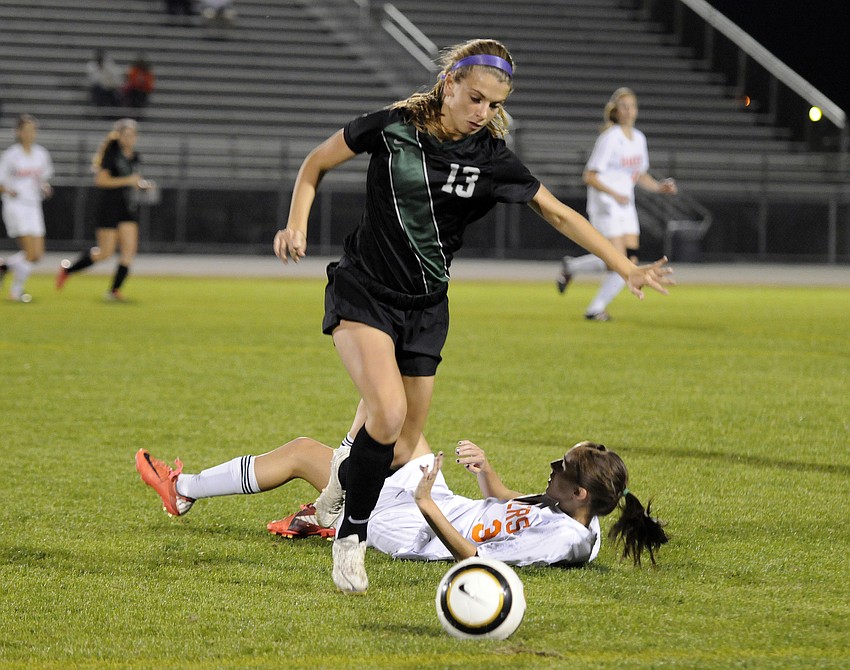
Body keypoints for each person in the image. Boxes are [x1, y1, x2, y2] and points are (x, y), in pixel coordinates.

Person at [271, 39, 673, 593]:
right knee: (386, 417)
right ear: (450, 84)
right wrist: (297, 223)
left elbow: (558, 214)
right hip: (366, 288)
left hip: (427, 305)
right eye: (476, 97)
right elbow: (315, 164)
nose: (483, 111)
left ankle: (340, 489)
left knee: (404, 434)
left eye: (494, 103)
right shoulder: (391, 127)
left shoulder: (491, 157)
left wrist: (623, 265)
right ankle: (350, 537)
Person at [136, 432, 668, 569]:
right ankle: (332, 506)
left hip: (410, 526)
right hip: (436, 500)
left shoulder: (564, 540)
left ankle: (181, 492)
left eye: (560, 467)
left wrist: (427, 503)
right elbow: (507, 503)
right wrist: (487, 472)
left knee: (304, 454)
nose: (550, 468)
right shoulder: (568, 509)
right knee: (400, 421)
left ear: (579, 493)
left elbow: (479, 561)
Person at [557, 87, 678, 321]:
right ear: (615, 111)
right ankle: (595, 308)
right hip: (606, 204)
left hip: (625, 205)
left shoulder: (639, 138)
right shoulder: (610, 138)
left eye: (632, 106)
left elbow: (639, 174)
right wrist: (614, 193)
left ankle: (572, 269)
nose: (629, 110)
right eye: (623, 106)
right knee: (617, 261)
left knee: (628, 261)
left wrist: (659, 187)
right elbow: (590, 176)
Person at [56, 118, 153, 301]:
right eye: (125, 135)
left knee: (129, 250)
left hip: (127, 207)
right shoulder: (111, 154)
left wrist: (141, 185)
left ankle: (114, 291)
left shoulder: (135, 157)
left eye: (132, 135)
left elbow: (133, 180)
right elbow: (101, 181)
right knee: (105, 252)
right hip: (109, 207)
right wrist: (129, 181)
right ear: (118, 136)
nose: (129, 138)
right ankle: (69, 269)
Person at [0, 114, 54, 303]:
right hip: (15, 205)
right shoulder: (10, 155)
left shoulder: (41, 154)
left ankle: (5, 266)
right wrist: (8, 190)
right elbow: (1, 182)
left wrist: (45, 189)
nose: (30, 134)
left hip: (34, 206)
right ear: (18, 132)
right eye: (26, 130)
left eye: (33, 130)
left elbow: (43, 181)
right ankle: (16, 291)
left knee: (37, 255)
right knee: (30, 253)